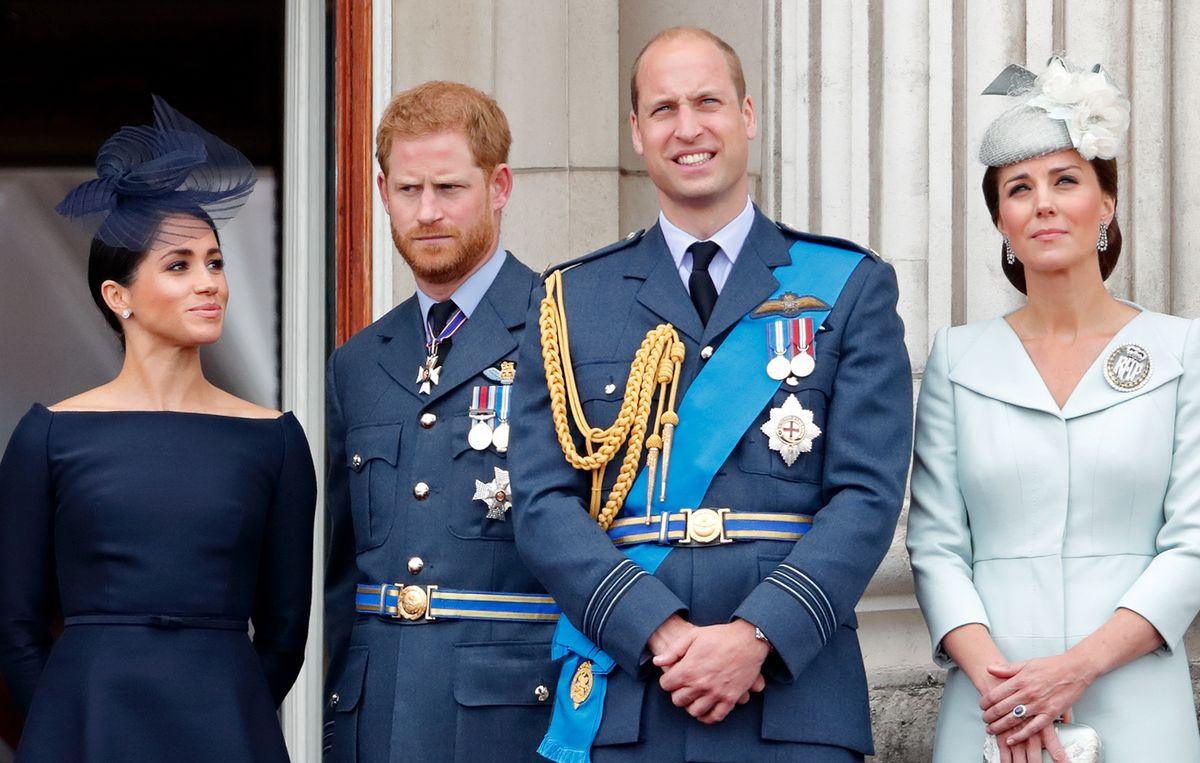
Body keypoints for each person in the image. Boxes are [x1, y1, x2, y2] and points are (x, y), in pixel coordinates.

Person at [509, 27, 912, 763]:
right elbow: (541, 504)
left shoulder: (847, 286)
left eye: (708, 102)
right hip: (633, 693)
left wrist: (756, 635)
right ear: (636, 133)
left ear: (748, 115)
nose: (687, 128)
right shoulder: (571, 297)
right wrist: (657, 631)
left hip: (793, 698)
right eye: (663, 109)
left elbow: (866, 495)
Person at [0, 96, 317, 762]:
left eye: (216, 261)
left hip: (227, 732)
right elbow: (13, 629)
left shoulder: (276, 439)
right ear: (119, 297)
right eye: (179, 265)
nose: (210, 284)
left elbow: (286, 634)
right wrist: (66, 719)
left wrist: (228, 710)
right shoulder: (48, 436)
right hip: (84, 729)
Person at [907, 57, 1200, 763]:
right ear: (1001, 219)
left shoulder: (1181, 350)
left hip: (1137, 697)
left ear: (1105, 204)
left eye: (1065, 180)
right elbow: (936, 545)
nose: (1042, 203)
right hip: (992, 709)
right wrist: (1007, 686)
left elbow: (1192, 541)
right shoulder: (957, 358)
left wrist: (1075, 668)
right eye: (1018, 188)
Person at [323, 81, 559, 762]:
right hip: (376, 719)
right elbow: (342, 575)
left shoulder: (562, 328)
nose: (426, 212)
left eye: (449, 188)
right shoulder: (359, 362)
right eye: (407, 189)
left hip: (512, 720)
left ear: (499, 185)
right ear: (381, 191)